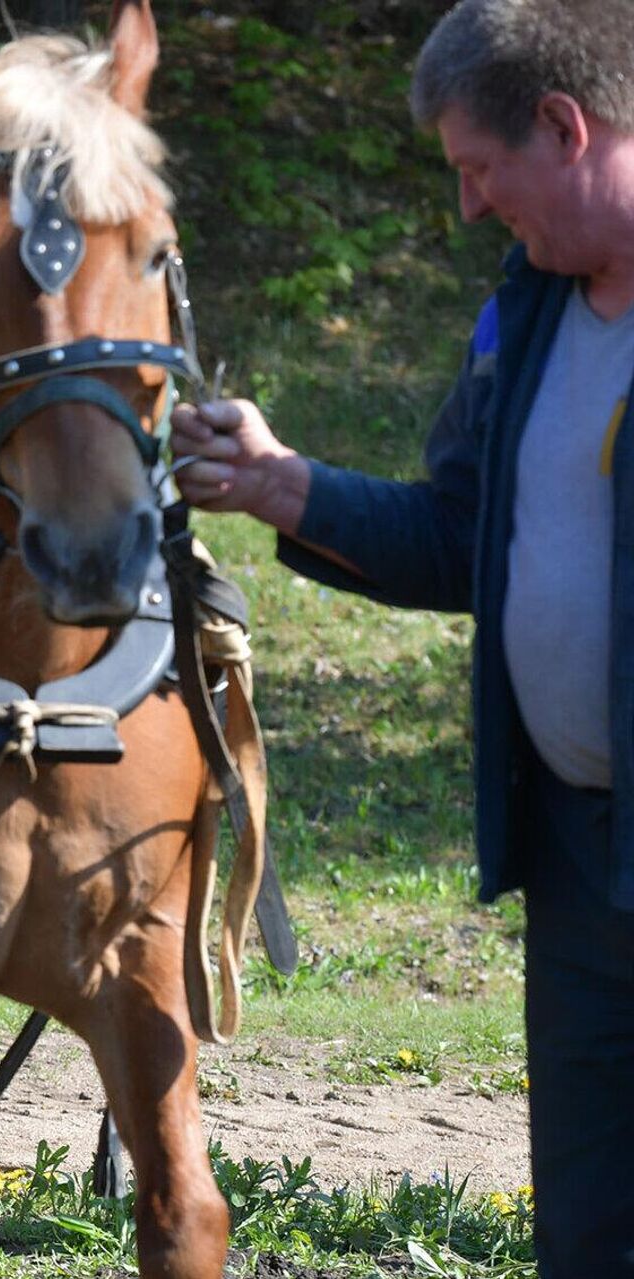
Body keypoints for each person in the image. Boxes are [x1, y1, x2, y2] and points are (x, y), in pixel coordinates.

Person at [169, 2, 634, 1274]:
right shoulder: (530, 310)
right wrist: (280, 486)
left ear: (564, 125)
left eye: (481, 169)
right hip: (584, 862)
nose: (474, 207)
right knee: (590, 1230)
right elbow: (459, 536)